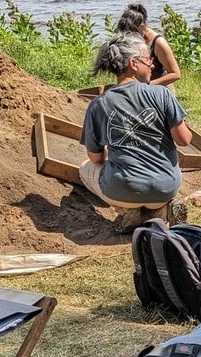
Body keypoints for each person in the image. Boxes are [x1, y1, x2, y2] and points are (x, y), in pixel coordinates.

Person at [79, 32, 192, 233]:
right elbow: (184, 140)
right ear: (133, 64)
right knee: (159, 183)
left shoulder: (99, 104)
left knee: (85, 168)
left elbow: (95, 158)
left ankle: (128, 211)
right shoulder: (162, 93)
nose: (152, 66)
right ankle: (161, 210)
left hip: (123, 189)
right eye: (148, 60)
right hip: (166, 186)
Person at [115, 2, 182, 88]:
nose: (129, 36)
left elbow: (175, 74)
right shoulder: (130, 40)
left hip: (159, 89)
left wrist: (146, 86)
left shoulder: (158, 42)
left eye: (132, 32)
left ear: (142, 26)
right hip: (136, 89)